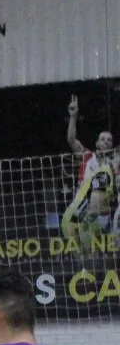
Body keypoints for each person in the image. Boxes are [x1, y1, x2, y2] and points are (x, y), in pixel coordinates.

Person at [62, 94, 117, 255]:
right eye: (103, 139)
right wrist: (73, 116)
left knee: (97, 245)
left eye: (109, 140)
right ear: (97, 144)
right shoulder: (87, 156)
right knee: (80, 246)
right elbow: (71, 140)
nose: (106, 142)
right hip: (81, 207)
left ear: (112, 146)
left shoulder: (114, 165)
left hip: (103, 211)